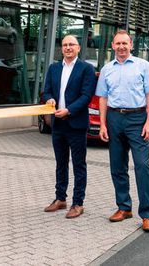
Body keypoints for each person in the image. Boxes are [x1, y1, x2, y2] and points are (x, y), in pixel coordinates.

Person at [96, 30, 149, 233]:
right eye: (118, 43)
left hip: (137, 119)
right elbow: (103, 99)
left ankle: (147, 215)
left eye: (125, 43)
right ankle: (124, 208)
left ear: (131, 45)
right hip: (114, 119)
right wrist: (103, 124)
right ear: (112, 46)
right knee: (117, 166)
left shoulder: (143, 66)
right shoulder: (107, 69)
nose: (121, 47)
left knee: (142, 165)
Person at [41, 35, 96, 219]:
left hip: (76, 124)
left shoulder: (86, 69)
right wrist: (49, 99)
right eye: (65, 45)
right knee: (60, 163)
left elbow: (86, 95)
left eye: (71, 44)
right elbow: (47, 90)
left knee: (79, 164)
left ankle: (78, 203)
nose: (68, 47)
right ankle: (60, 198)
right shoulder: (54, 68)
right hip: (58, 124)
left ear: (79, 48)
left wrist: (69, 110)